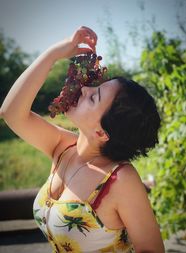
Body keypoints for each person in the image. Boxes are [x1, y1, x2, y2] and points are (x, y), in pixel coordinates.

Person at [1, 26, 165, 253]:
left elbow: (152, 250)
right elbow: (11, 112)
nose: (85, 89)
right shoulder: (63, 146)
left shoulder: (120, 180)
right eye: (95, 88)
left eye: (94, 98)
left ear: (101, 133)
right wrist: (54, 54)